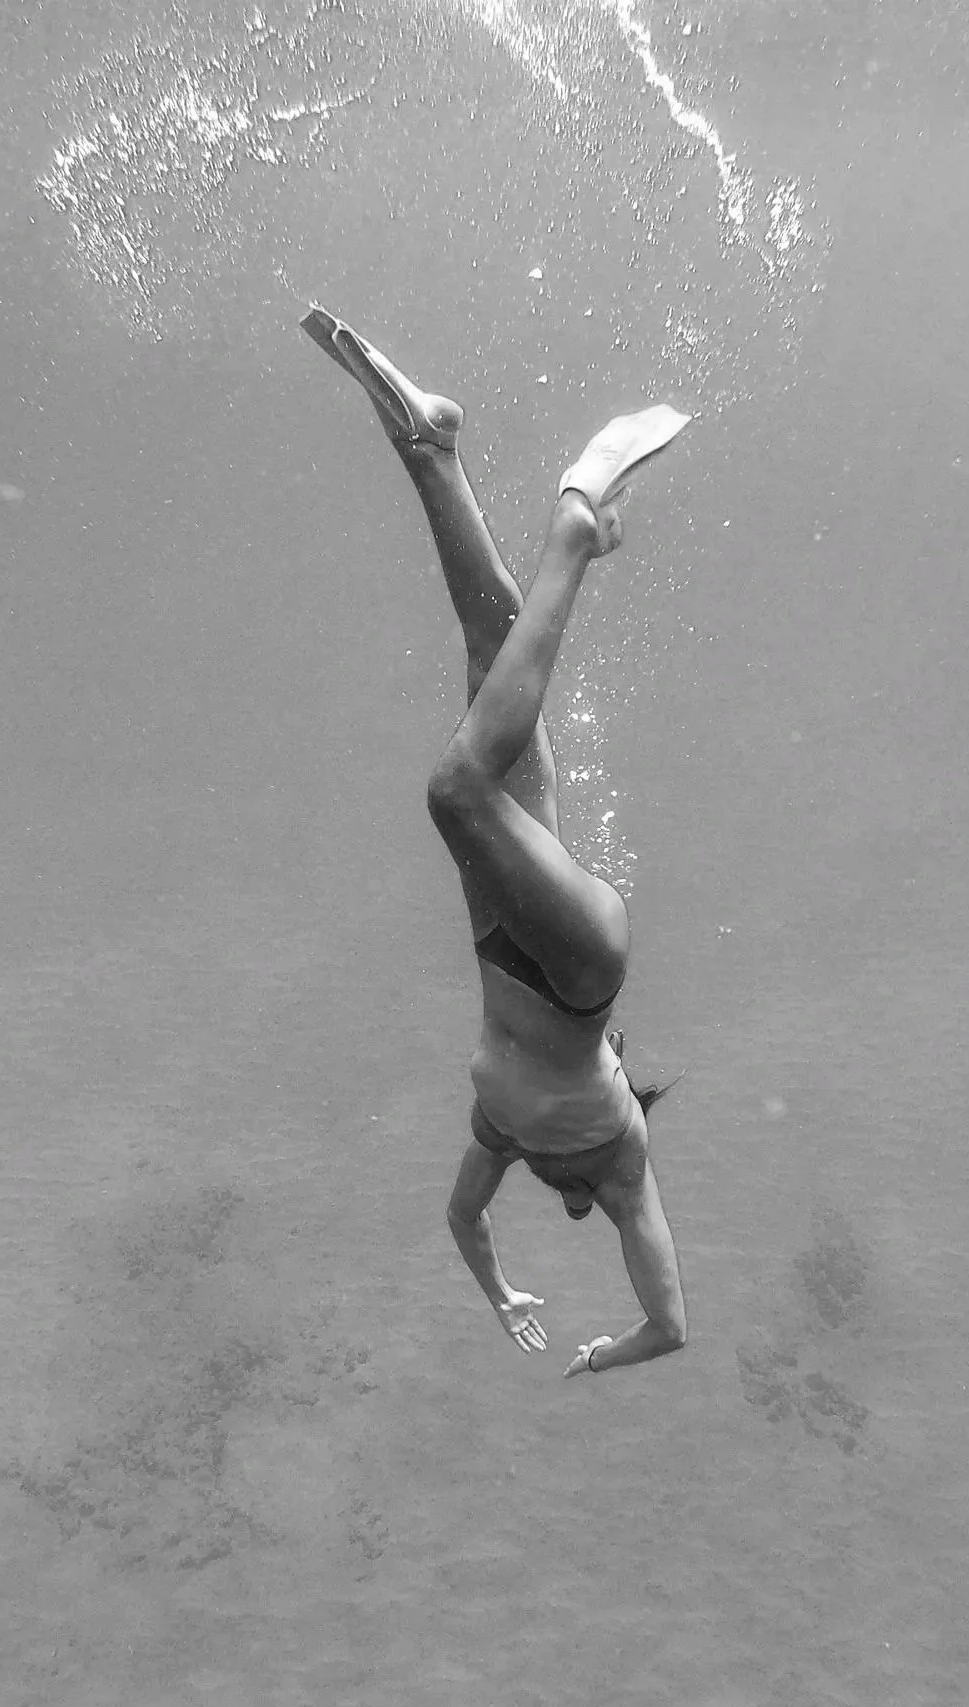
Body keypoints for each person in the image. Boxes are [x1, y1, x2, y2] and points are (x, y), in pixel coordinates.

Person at [302, 306, 693, 1377]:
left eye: (557, 1210)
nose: (572, 1208)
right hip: (579, 969)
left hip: (502, 929)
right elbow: (672, 1322)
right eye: (585, 1211)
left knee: (489, 650)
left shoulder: (504, 1146)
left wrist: (499, 1291)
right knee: (455, 788)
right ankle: (577, 529)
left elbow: (462, 1222)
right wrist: (611, 1351)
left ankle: (429, 449)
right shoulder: (618, 1163)